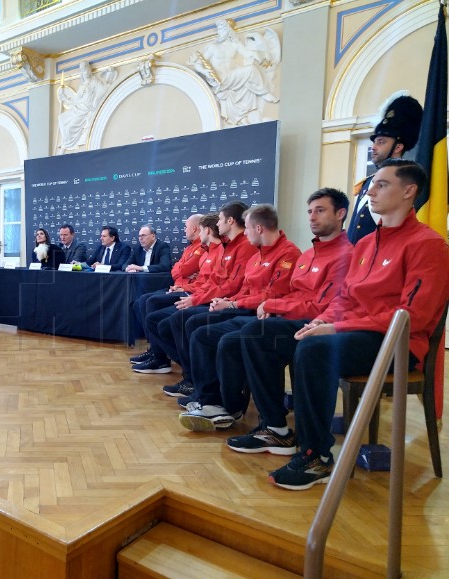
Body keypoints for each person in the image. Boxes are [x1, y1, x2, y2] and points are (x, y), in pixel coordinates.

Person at [234, 160, 449, 490]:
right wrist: (322, 319)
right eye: (371, 185)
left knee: (314, 349)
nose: (370, 191)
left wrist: (334, 328)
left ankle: (316, 454)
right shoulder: (365, 245)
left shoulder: (428, 244)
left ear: (409, 191)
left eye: (381, 185)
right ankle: (276, 429)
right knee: (258, 334)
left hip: (395, 343)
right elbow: (344, 299)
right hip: (351, 330)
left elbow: (412, 316)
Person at [179, 191, 350, 432]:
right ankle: (221, 404)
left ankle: (264, 422)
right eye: (310, 211)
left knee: (236, 336)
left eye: (319, 211)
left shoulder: (299, 254)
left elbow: (308, 303)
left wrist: (263, 305)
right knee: (204, 333)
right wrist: (238, 302)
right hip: (275, 315)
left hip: (304, 323)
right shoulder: (307, 254)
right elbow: (284, 294)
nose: (311, 217)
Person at [134, 202, 251, 375]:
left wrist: (196, 296)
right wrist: (187, 287)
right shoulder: (218, 249)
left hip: (221, 301)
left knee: (169, 316)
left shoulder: (234, 248)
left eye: (220, 220)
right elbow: (182, 271)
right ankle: (188, 371)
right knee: (149, 308)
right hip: (207, 296)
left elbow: (228, 285)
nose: (218, 224)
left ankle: (191, 374)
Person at [347, 93, 422, 244]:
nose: (373, 148)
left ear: (398, 146)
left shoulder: (406, 183)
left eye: (381, 142)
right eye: (374, 142)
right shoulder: (368, 183)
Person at [188, 19, 280, 125]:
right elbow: (197, 64)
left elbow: (247, 54)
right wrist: (205, 72)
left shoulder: (234, 45)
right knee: (250, 70)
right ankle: (264, 92)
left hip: (232, 77)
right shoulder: (213, 47)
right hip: (220, 80)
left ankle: (246, 111)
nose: (221, 32)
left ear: (228, 31)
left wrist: (260, 54)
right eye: (219, 30)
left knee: (250, 70)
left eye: (223, 29)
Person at [131, 214, 204, 346]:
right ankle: (153, 347)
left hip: (189, 291)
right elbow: (175, 270)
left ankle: (158, 352)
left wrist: (182, 273)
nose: (184, 230)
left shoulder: (202, 247)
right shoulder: (189, 248)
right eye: (139, 236)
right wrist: (182, 272)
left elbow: (180, 269)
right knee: (139, 302)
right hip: (178, 287)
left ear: (193, 228)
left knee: (151, 301)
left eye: (185, 227)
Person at [56, 61, 117, 152]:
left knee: (69, 128)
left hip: (85, 109)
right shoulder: (82, 85)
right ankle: (65, 143)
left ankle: (65, 147)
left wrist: (96, 100)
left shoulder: (94, 81)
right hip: (77, 108)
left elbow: (103, 90)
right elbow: (76, 100)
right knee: (61, 118)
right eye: (82, 71)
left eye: (85, 70)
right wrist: (64, 98)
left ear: (89, 70)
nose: (84, 73)